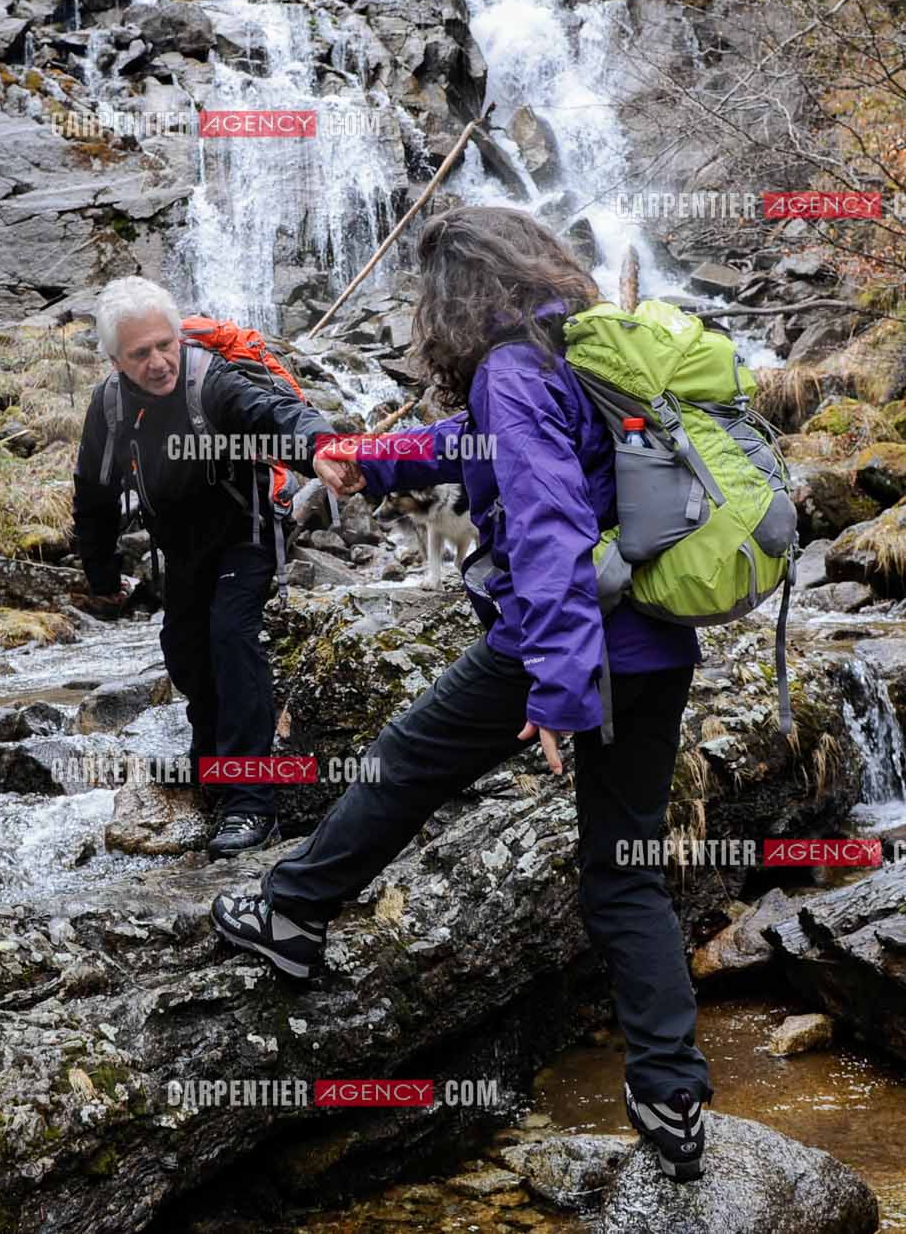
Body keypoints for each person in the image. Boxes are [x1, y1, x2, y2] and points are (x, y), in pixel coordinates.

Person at [207, 207, 715, 1182]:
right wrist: (375, 458)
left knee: (402, 762)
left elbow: (550, 534)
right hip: (656, 643)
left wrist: (560, 692)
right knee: (625, 871)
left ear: (453, 298)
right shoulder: (575, 345)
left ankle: (291, 913)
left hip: (566, 645)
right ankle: (672, 1095)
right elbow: (479, 445)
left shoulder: (511, 369)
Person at [71, 277, 358, 857]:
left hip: (244, 532)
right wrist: (99, 574)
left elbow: (275, 414)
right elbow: (94, 497)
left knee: (231, 635)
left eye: (165, 345)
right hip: (180, 547)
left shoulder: (213, 381)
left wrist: (321, 446)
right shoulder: (108, 408)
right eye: (140, 354)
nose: (158, 363)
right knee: (184, 648)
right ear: (114, 360)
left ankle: (253, 803)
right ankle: (213, 768)